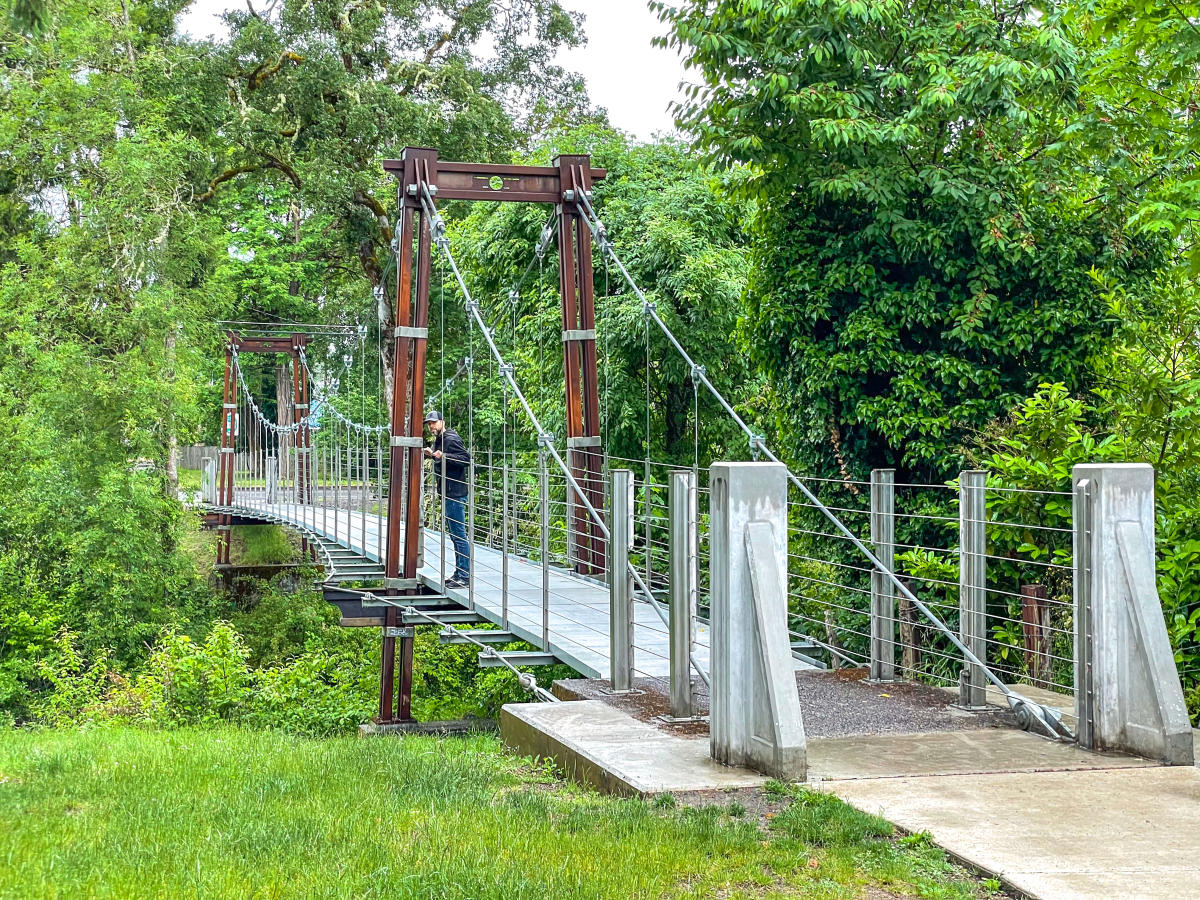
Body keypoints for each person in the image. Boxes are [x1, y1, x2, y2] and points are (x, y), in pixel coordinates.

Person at [423, 410, 471, 588]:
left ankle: (464, 576)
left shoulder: (450, 438)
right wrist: (433, 454)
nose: (431, 426)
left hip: (455, 493)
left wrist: (443, 456)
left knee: (459, 535)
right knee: (454, 535)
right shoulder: (440, 439)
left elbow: (466, 459)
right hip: (449, 493)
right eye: (429, 424)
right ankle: (459, 573)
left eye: (434, 423)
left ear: (442, 421)